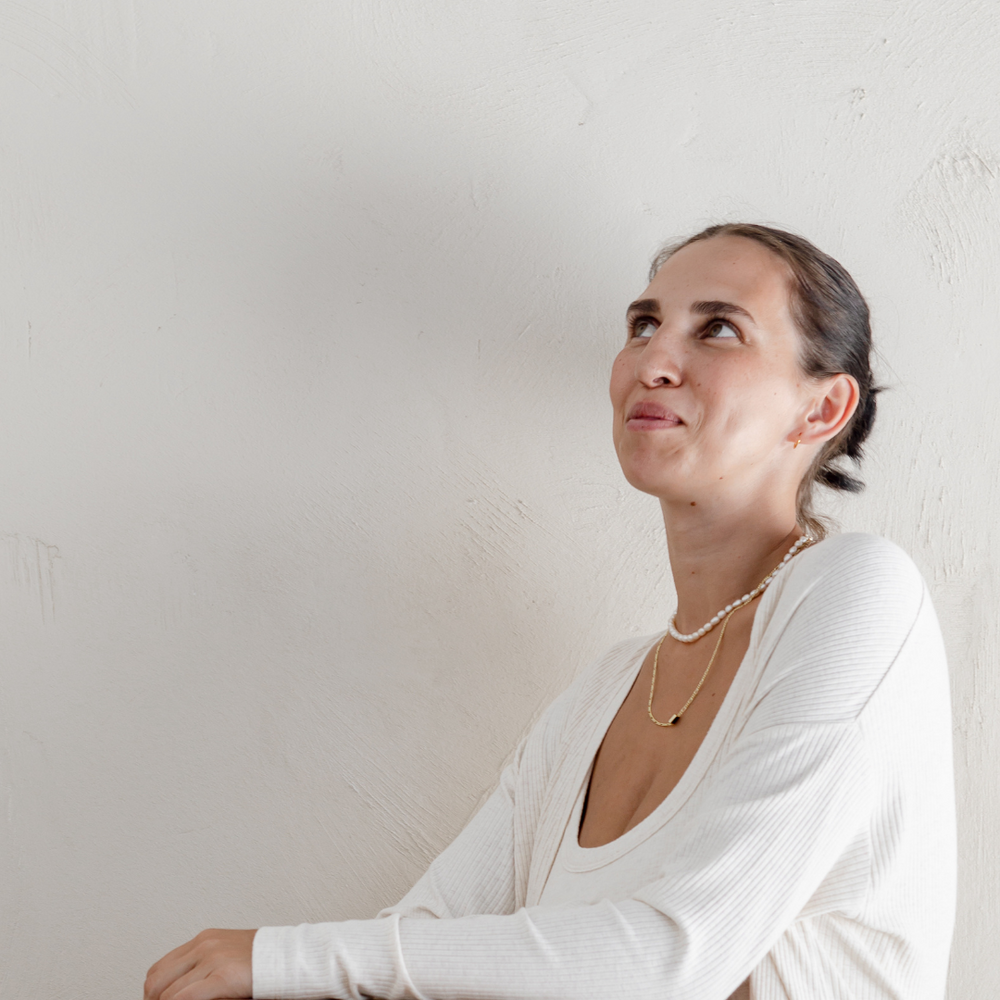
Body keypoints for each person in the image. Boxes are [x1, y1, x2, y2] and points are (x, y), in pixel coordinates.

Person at [144, 224, 956, 1000]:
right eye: (643, 324)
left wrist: (280, 956)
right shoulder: (605, 692)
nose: (654, 361)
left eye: (717, 330)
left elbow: (682, 957)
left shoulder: (857, 591)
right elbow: (421, 932)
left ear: (820, 411)